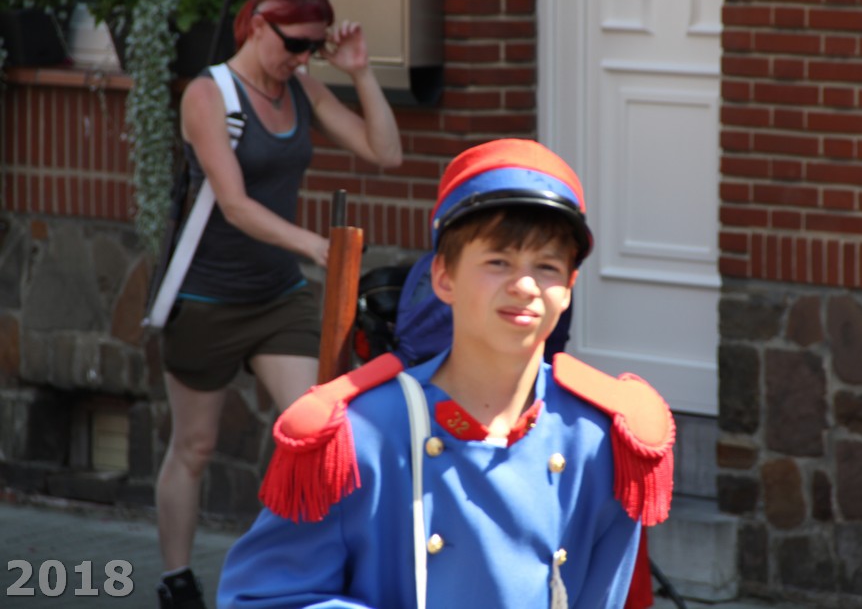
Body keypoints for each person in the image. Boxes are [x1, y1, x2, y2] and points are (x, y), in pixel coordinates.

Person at [217, 138, 674, 609]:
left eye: (547, 266)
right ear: (444, 278)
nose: (524, 285)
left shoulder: (599, 438)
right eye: (498, 261)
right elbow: (264, 598)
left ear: (569, 288)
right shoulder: (359, 436)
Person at [155, 0, 402, 609]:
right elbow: (234, 204)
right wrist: (316, 246)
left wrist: (360, 72)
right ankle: (176, 580)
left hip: (277, 297)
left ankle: (298, 567)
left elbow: (385, 153)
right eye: (294, 43)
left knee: (318, 429)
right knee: (195, 445)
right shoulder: (208, 95)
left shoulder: (302, 87)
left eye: (312, 47)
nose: (300, 57)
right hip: (207, 297)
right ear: (259, 23)